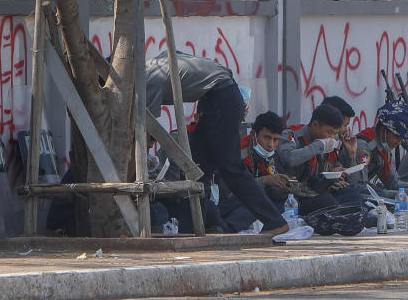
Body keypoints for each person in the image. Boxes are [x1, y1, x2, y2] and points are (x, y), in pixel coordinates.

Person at [145, 51, 289, 235]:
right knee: (196, 167)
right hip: (216, 96)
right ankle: (194, 228)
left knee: (231, 167)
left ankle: (274, 221)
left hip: (220, 97)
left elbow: (144, 130)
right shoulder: (156, 63)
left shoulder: (147, 79)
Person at [276, 103, 363, 215]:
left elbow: (351, 181)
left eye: (335, 134)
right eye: (329, 132)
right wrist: (319, 145)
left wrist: (350, 157)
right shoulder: (292, 135)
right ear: (315, 125)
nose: (331, 138)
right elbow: (291, 159)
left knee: (352, 195)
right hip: (292, 198)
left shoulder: (328, 143)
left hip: (317, 192)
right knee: (327, 202)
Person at [217, 111, 292, 232]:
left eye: (275, 139)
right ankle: (226, 228)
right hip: (227, 203)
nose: (271, 145)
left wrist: (281, 187)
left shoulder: (271, 155)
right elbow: (230, 193)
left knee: (278, 204)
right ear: (253, 134)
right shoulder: (238, 152)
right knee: (255, 208)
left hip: (248, 202)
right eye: (267, 137)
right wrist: (264, 181)